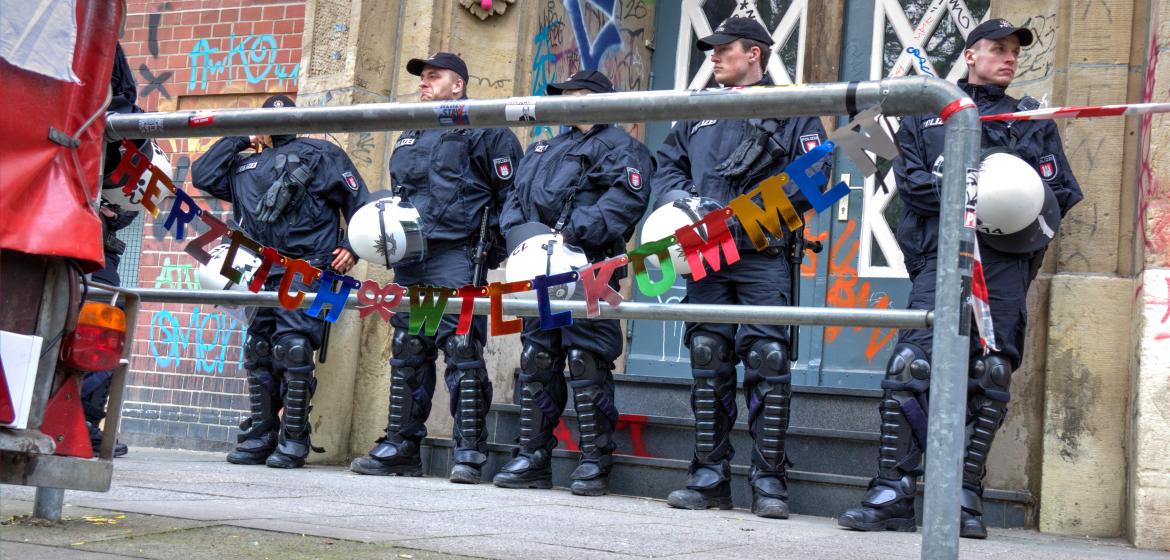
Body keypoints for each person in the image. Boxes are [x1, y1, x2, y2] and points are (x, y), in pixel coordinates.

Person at [837, 19, 1083, 538]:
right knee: (910, 366)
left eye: (1014, 51)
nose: (1009, 58)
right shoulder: (930, 111)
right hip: (941, 260)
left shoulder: (1032, 120)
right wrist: (977, 191)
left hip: (1004, 265)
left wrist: (990, 199)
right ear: (970, 55)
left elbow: (1056, 196)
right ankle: (893, 491)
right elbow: (916, 190)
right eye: (998, 49)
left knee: (989, 376)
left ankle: (963, 495)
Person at [651, 16, 828, 519]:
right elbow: (668, 168)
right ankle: (708, 477)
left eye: (723, 49)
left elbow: (815, 179)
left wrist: (741, 224)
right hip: (704, 254)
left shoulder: (794, 108)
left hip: (761, 255)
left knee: (768, 359)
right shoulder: (699, 109)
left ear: (754, 53)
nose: (713, 57)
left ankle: (770, 482)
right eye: (710, 50)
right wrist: (684, 206)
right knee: (708, 354)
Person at [349, 53, 523, 484]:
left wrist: (493, 252)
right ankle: (402, 445)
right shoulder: (410, 132)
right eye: (422, 78)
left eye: (433, 76)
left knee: (462, 348)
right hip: (413, 256)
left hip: (456, 255)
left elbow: (510, 196)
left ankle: (469, 452)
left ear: (458, 85)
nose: (424, 83)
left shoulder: (485, 129)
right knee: (410, 347)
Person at [492, 70, 655, 495]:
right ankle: (532, 457)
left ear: (599, 99)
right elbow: (512, 200)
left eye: (577, 93)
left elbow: (624, 203)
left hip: (589, 267)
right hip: (536, 268)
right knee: (538, 358)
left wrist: (569, 235)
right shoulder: (544, 147)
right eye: (563, 94)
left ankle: (595, 461)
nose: (567, 100)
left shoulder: (625, 148)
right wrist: (522, 236)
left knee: (587, 359)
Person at [191, 94, 370, 469]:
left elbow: (361, 205)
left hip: (313, 269)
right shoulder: (244, 164)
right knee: (258, 351)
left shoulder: (322, 154)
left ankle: (294, 439)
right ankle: (260, 433)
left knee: (295, 351)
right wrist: (240, 136)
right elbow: (203, 175)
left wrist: (352, 245)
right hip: (258, 271)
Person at [84, 41, 143, 459]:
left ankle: (82, 421)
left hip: (93, 234)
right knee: (101, 318)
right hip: (77, 235)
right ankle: (80, 421)